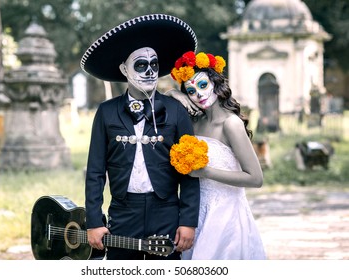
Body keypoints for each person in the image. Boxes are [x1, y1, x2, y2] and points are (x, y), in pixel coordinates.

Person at [80, 14, 200, 260]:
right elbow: (94, 171)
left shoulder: (176, 110)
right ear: (125, 69)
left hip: (166, 211)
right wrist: (93, 220)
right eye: (141, 65)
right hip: (123, 211)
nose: (149, 72)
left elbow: (190, 171)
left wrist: (188, 220)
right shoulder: (106, 112)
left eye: (154, 65)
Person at [166, 51, 266, 260]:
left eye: (203, 85)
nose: (199, 94)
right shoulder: (195, 123)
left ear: (216, 83)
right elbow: (167, 96)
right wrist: (176, 94)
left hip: (227, 215)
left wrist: (207, 172)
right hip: (198, 213)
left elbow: (256, 178)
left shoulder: (231, 124)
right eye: (191, 91)